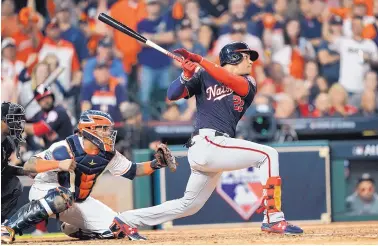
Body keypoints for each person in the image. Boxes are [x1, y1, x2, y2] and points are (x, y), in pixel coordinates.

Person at [115, 42, 303, 238]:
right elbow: (172, 95)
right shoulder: (204, 75)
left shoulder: (249, 82)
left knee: (189, 205)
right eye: (246, 56)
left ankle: (126, 219)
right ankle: (273, 217)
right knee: (268, 154)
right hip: (206, 142)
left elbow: (228, 79)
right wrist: (186, 75)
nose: (251, 61)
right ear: (233, 58)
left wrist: (200, 60)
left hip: (217, 147)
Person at [1, 110, 177, 243]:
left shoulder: (108, 153)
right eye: (104, 129)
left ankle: (74, 227)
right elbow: (30, 165)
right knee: (62, 197)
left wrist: (157, 163)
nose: (109, 133)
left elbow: (133, 170)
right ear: (90, 130)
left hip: (77, 200)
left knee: (117, 229)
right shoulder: (65, 147)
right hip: (44, 190)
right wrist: (58, 164)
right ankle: (8, 227)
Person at [1, 102, 30, 223]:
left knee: (14, 184)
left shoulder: (7, 143)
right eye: (14, 119)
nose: (17, 124)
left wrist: (24, 171)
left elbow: (3, 168)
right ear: (2, 120)